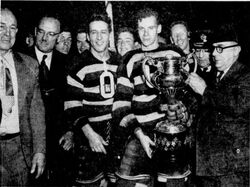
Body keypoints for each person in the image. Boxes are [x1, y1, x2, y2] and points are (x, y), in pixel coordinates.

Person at [112, 8, 197, 187]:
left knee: (176, 183)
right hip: (140, 135)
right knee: (127, 183)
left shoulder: (174, 54)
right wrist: (139, 134)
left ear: (158, 28)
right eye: (141, 29)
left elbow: (190, 97)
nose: (146, 34)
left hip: (173, 136)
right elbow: (120, 106)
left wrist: (182, 114)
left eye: (150, 28)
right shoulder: (129, 59)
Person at [186, 23, 250, 187]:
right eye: (213, 48)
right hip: (209, 165)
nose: (214, 53)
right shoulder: (214, 75)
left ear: (237, 50)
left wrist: (204, 91)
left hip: (231, 168)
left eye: (220, 48)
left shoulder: (245, 75)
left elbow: (239, 105)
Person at [64, 12, 119, 186]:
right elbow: (72, 106)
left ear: (109, 34)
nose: (99, 37)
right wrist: (90, 135)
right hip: (89, 136)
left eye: (103, 32)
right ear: (88, 36)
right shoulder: (77, 65)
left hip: (118, 134)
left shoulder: (120, 62)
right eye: (94, 32)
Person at [0, 7, 46, 186]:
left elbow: (37, 113)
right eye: (1, 26)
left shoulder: (29, 65)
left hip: (19, 150)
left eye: (12, 28)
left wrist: (39, 151)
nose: (7, 33)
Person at [26, 13, 68, 185]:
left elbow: (72, 103)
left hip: (59, 146)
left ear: (58, 37)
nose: (44, 38)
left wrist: (71, 131)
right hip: (29, 146)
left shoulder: (67, 63)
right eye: (41, 32)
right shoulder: (20, 58)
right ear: (35, 31)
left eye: (51, 34)